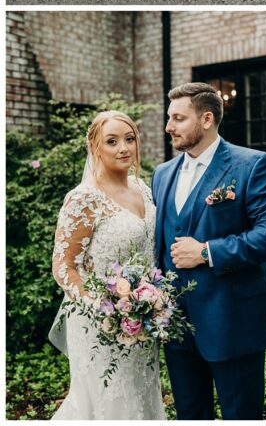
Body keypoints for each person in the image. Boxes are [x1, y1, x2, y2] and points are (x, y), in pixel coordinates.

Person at [152, 82, 266, 420]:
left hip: (233, 321)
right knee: (190, 414)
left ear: (206, 119)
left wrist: (207, 252)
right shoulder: (162, 175)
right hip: (177, 326)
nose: (169, 127)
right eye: (169, 118)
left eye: (178, 118)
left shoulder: (252, 165)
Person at [51, 111, 165, 419]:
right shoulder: (83, 198)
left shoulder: (142, 188)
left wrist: (149, 301)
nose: (123, 148)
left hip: (143, 317)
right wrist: (103, 306)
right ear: (95, 147)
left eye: (129, 139)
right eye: (112, 141)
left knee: (143, 395)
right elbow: (64, 266)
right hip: (99, 323)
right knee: (107, 401)